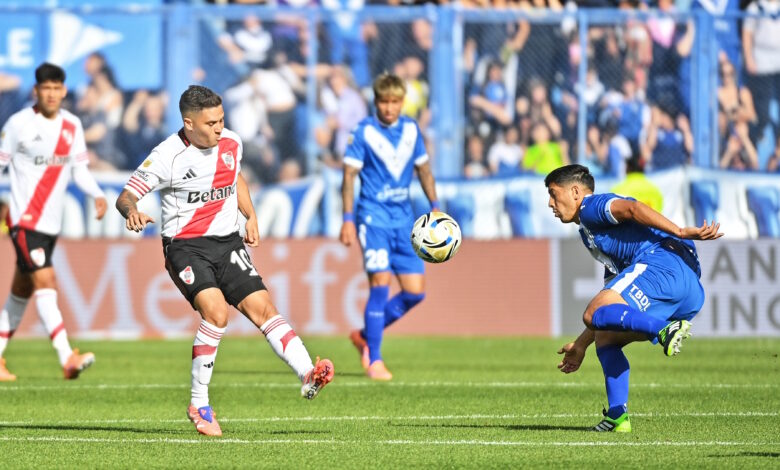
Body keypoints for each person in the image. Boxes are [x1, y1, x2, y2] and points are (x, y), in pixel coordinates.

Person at [114, 85, 334, 437]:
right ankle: (199, 404)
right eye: (211, 123)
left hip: (227, 242)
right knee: (216, 313)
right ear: (189, 123)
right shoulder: (167, 156)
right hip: (185, 247)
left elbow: (235, 178)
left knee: (264, 309)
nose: (219, 128)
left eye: (221, 120)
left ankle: (308, 373)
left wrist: (250, 215)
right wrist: (132, 212)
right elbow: (126, 196)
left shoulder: (231, 142)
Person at [545, 164, 722, 432]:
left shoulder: (590, 207)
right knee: (605, 335)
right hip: (687, 289)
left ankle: (663, 329)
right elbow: (609, 308)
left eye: (553, 194)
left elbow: (632, 208)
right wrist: (581, 345)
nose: (550, 204)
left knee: (591, 313)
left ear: (575, 192)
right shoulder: (597, 236)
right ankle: (618, 416)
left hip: (661, 264)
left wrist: (680, 231)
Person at [0, 63, 107, 381]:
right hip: (24, 219)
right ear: (36, 90)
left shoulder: (72, 125)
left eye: (56, 88)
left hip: (50, 224)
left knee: (21, 289)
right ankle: (66, 356)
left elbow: (80, 170)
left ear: (63, 90)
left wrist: (97, 194)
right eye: (45, 88)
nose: (50, 94)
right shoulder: (19, 124)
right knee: (46, 281)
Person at [340, 73, 440, 381]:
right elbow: (348, 177)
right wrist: (347, 219)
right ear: (376, 102)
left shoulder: (411, 129)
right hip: (373, 219)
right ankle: (375, 359)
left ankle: (364, 336)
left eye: (395, 101)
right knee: (380, 284)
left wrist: (435, 207)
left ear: (402, 102)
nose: (389, 107)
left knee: (415, 293)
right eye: (384, 101)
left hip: (404, 220)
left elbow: (424, 170)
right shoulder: (363, 132)